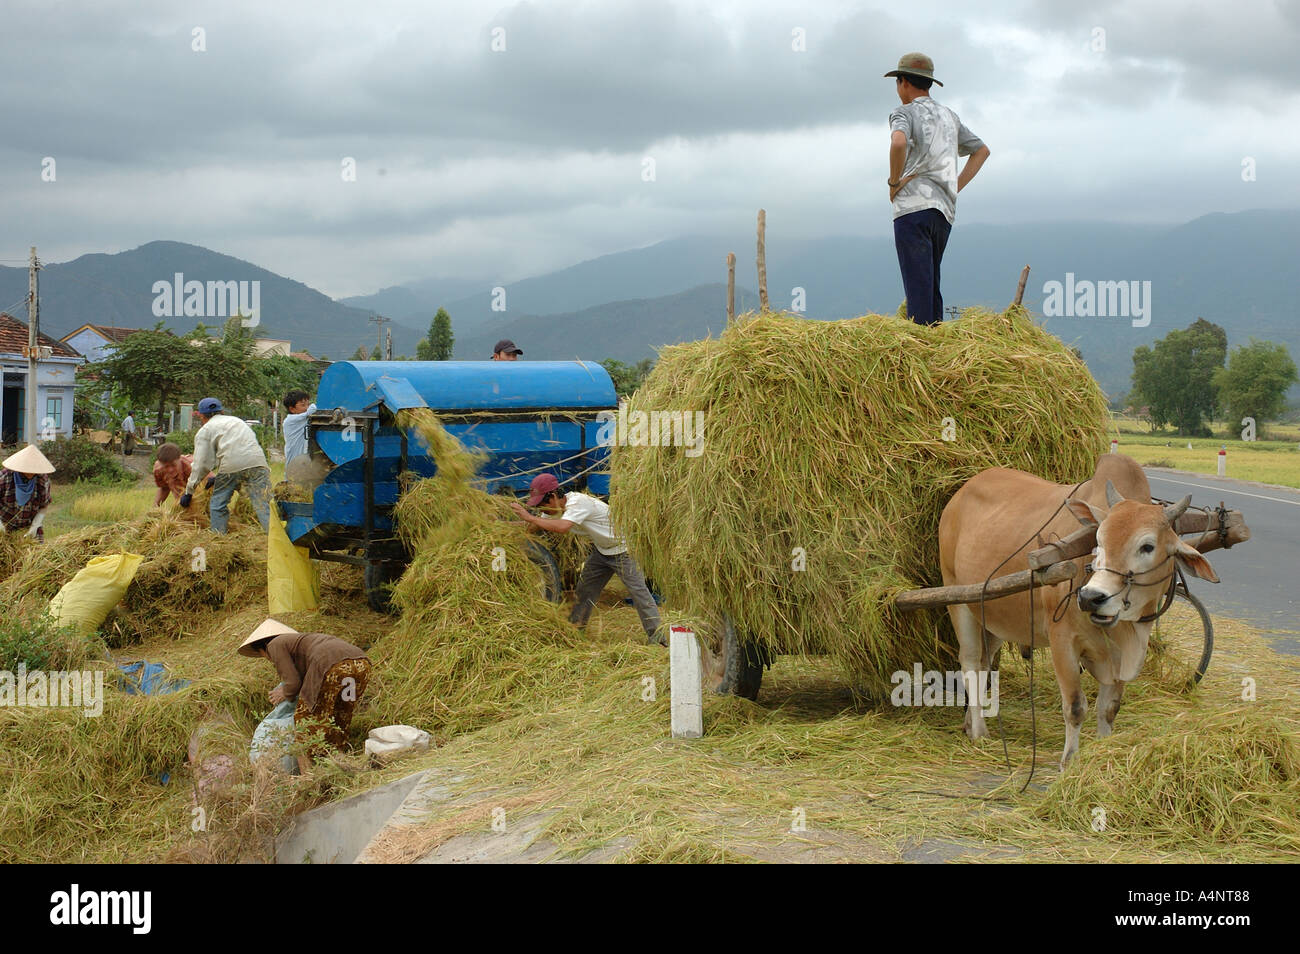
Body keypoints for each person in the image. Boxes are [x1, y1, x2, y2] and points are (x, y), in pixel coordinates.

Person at [885, 52, 990, 325]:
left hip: (912, 208)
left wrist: (894, 182)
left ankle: (919, 351)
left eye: (898, 82)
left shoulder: (903, 113)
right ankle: (935, 341)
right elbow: (981, 150)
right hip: (943, 213)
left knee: (917, 288)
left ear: (904, 82)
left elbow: (898, 144)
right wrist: (954, 186)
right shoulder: (949, 117)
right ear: (929, 83)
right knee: (930, 285)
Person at [510, 473, 664, 646]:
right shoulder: (554, 510)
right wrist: (507, 532)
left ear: (553, 496)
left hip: (623, 551)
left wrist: (529, 516)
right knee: (584, 591)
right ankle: (576, 631)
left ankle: (657, 639)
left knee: (639, 594)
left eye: (542, 506)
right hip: (601, 551)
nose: (542, 512)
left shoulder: (578, 503)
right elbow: (534, 525)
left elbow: (562, 527)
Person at [238, 619, 372, 770]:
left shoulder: (274, 645)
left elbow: (293, 682)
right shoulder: (301, 642)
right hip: (361, 664)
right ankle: (341, 763)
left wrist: (284, 692)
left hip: (330, 665)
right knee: (339, 716)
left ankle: (308, 775)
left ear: (262, 650)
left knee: (305, 721)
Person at [179, 397, 271, 533]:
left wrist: (189, 492)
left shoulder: (205, 430)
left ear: (201, 416)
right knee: (263, 504)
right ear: (221, 411)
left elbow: (201, 465)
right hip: (258, 462)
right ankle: (276, 540)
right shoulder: (237, 421)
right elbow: (240, 449)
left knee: (218, 505)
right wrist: (218, 477)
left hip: (231, 467)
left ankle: (218, 539)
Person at [0, 445, 54, 542]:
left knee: (36, 554)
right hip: (4, 523)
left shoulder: (42, 480)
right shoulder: (5, 477)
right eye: (28, 469)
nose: (31, 473)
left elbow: (44, 506)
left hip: (29, 526)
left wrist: (35, 526)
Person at [153, 442, 212, 507]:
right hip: (182, 502)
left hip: (203, 500)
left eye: (173, 465)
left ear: (179, 459)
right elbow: (164, 488)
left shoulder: (194, 467)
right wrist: (155, 507)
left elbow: (213, 485)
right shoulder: (158, 470)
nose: (170, 470)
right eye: (166, 466)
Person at [282, 389, 317, 467]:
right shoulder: (291, 420)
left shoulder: (303, 419)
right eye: (303, 405)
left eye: (308, 404)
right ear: (292, 409)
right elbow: (312, 409)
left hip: (303, 460)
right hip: (294, 461)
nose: (307, 407)